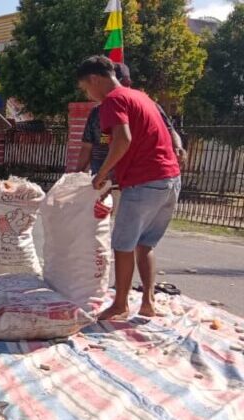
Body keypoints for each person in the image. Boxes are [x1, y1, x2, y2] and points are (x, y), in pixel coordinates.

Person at [76, 56, 182, 320]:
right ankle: (147, 302)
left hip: (144, 182)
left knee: (123, 245)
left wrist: (101, 174)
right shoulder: (141, 97)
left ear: (94, 79)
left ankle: (120, 304)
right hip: (170, 180)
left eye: (85, 89)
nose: (88, 95)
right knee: (144, 245)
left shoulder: (113, 100)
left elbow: (123, 139)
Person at [77, 63, 187, 174]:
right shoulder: (97, 112)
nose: (124, 88)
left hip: (134, 172)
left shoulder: (147, 104)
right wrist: (77, 174)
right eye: (122, 83)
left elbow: (169, 129)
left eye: (127, 83)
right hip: (103, 167)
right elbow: (88, 146)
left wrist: (178, 147)